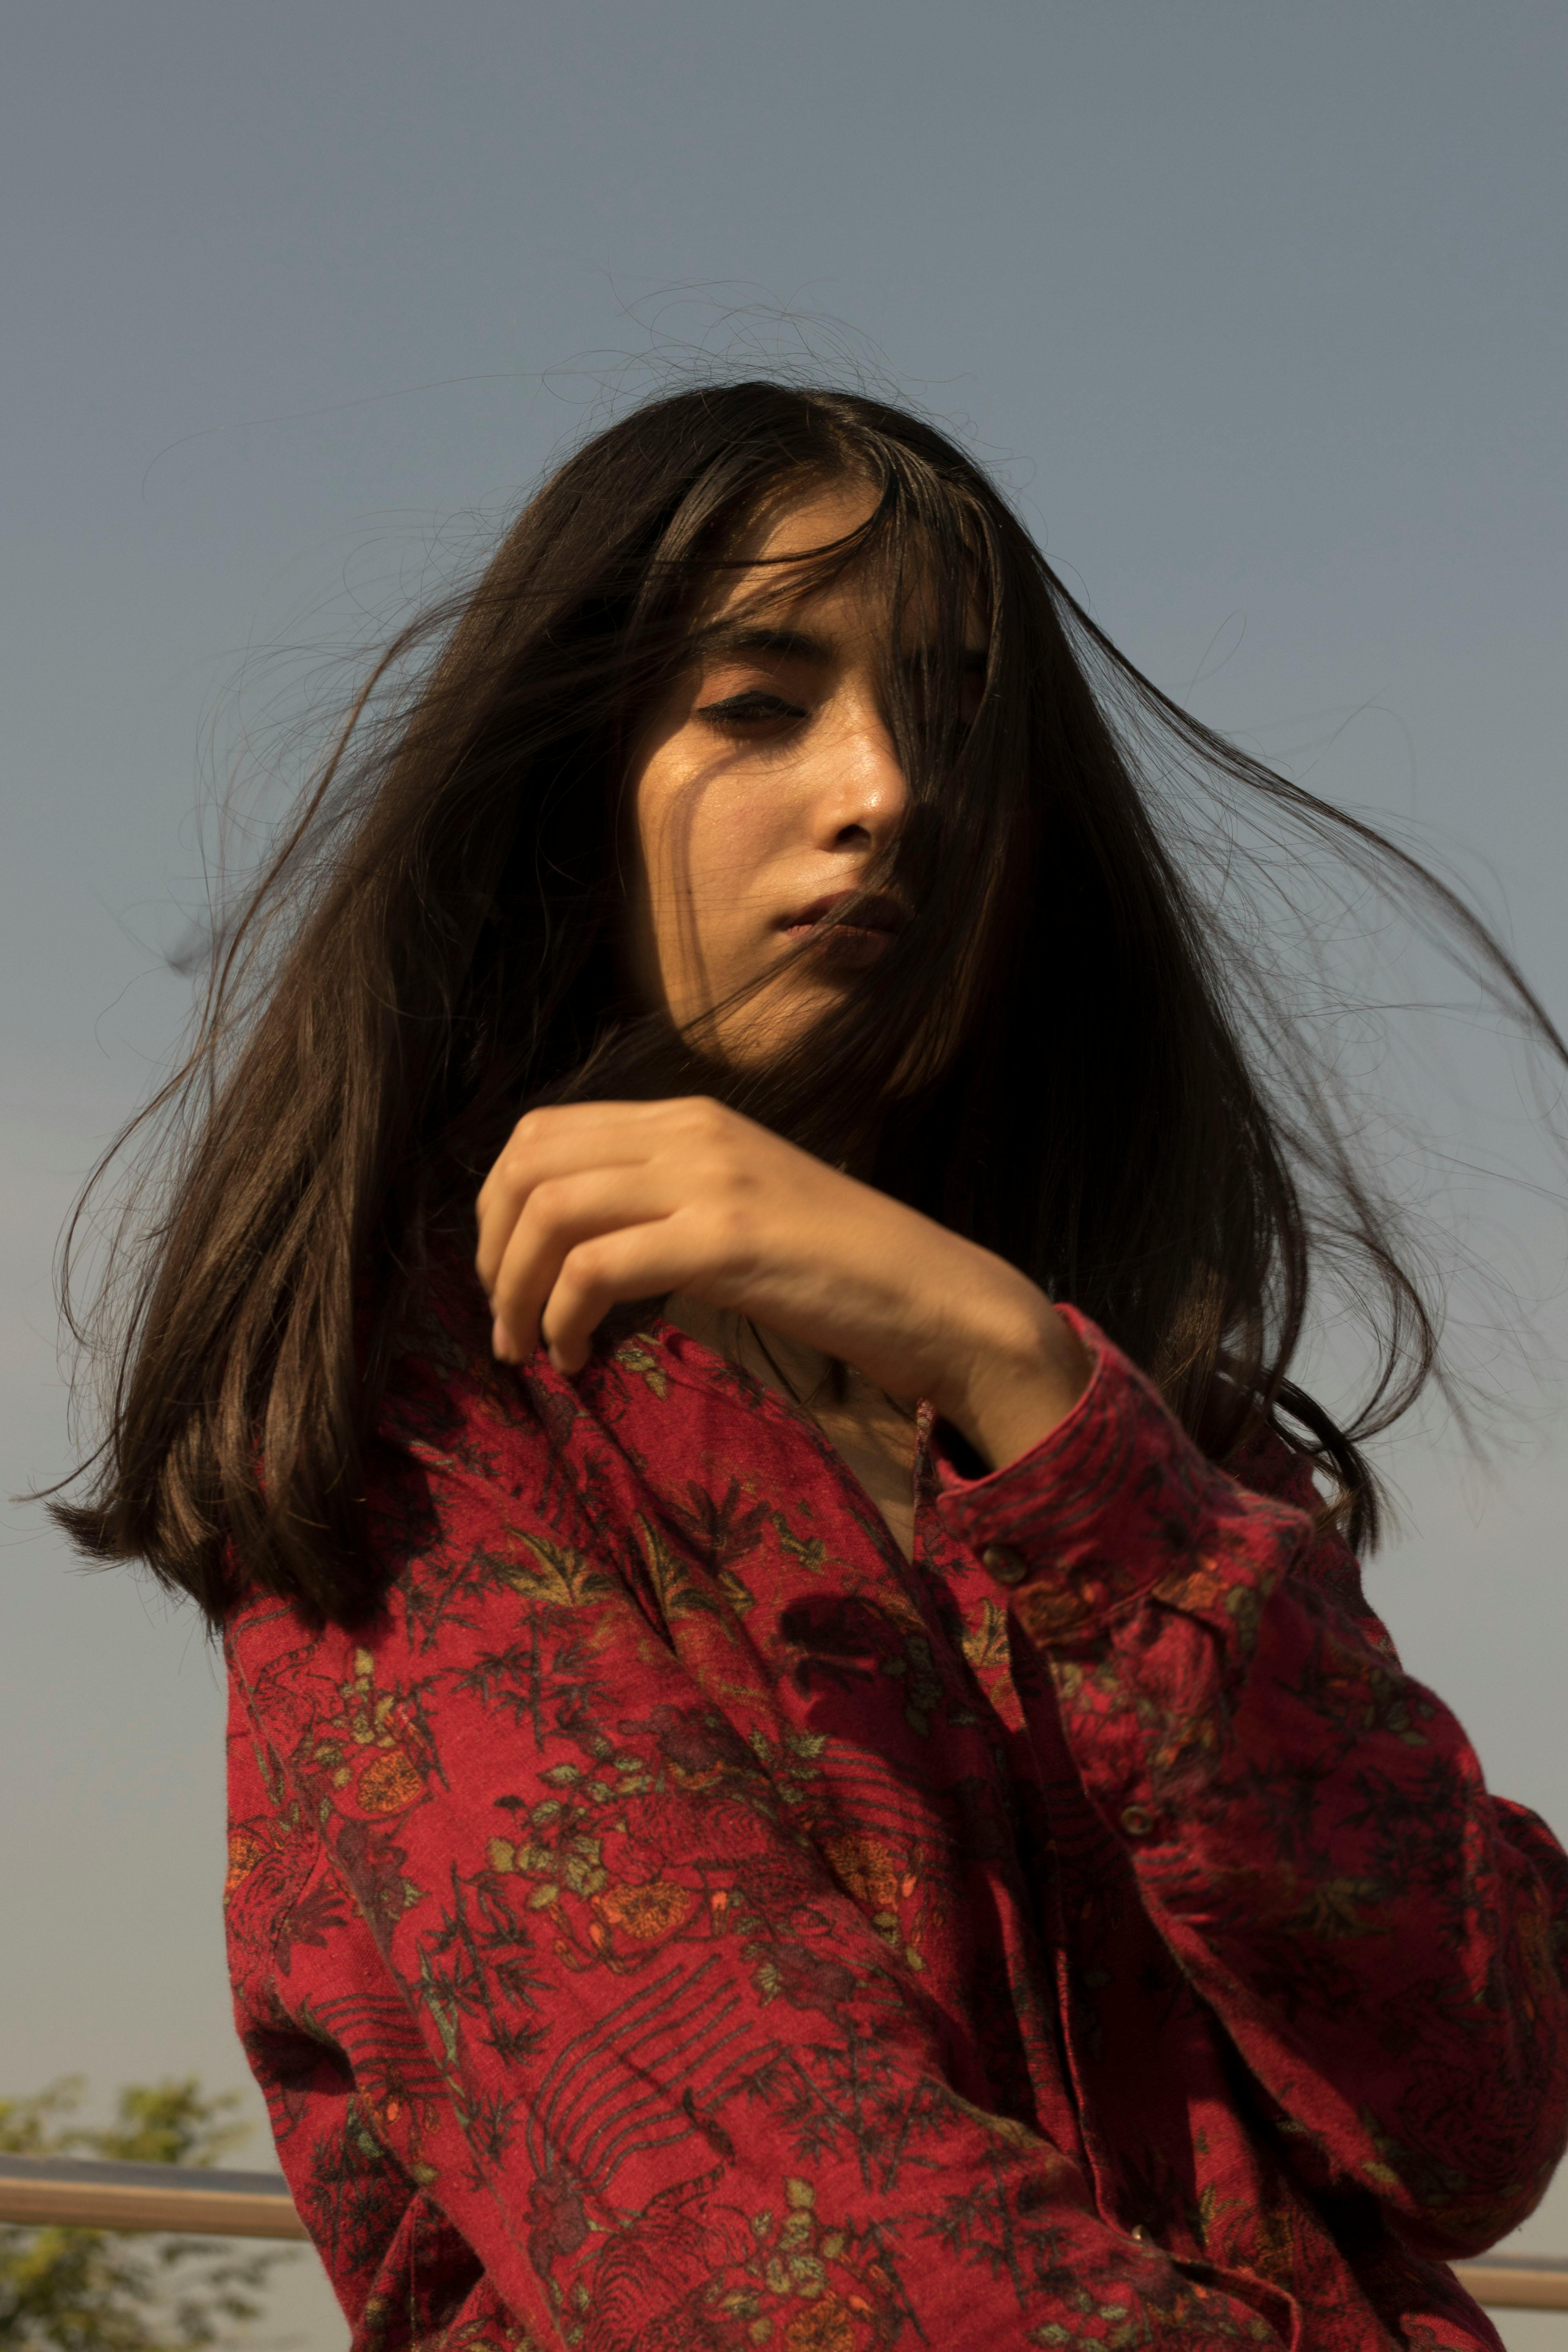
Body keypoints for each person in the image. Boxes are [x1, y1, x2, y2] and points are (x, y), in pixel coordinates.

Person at [57, 382, 1568, 2349]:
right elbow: (786, 2262)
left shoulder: (1121, 1440)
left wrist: (1022, 1376)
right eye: (758, 707)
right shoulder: (424, 1418)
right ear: (570, 796)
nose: (886, 790)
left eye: (955, 724)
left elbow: (1478, 2105)